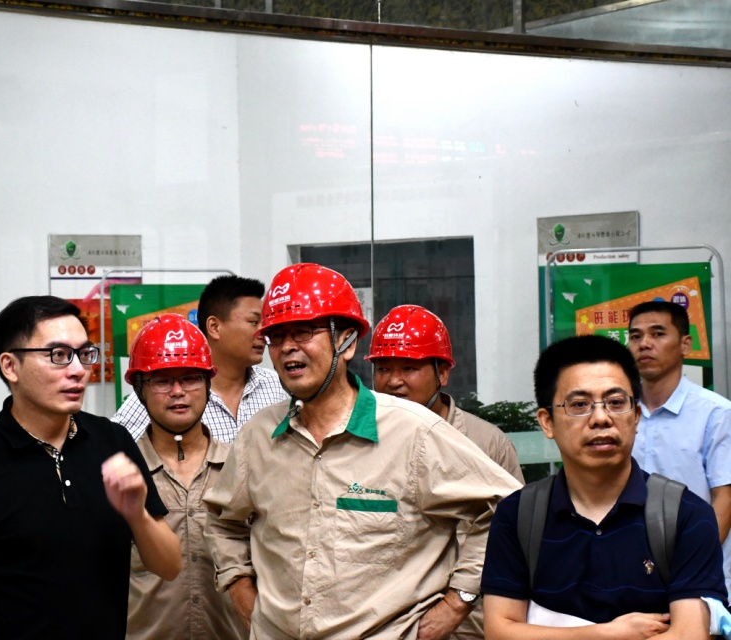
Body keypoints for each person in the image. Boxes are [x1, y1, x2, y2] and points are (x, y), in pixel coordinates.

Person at [204, 263, 521, 639]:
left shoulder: (412, 432)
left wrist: (458, 601)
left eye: (304, 332)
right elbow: (222, 522)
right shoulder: (258, 437)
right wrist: (241, 591)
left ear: (347, 342)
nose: (287, 346)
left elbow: (509, 510)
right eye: (276, 336)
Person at [0, 295, 181, 640]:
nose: (78, 370)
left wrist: (137, 515)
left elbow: (169, 566)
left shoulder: (112, 441)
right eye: (58, 355)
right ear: (10, 366)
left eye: (84, 353)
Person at [482, 334, 726, 639]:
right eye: (579, 405)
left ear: (636, 417)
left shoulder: (685, 515)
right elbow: (499, 631)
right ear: (547, 422)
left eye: (616, 403)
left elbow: (689, 635)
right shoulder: (519, 515)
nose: (601, 418)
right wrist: (607, 634)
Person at [367, 303, 523, 639]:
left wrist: (459, 602)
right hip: (388, 624)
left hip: (472, 624)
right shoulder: (361, 443)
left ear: (443, 373)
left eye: (409, 368)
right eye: (382, 368)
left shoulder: (486, 443)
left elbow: (515, 536)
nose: (393, 381)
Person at [123, 313, 247, 640]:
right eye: (162, 381)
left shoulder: (243, 467)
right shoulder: (122, 476)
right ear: (140, 389)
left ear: (208, 384)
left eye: (191, 379)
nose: (178, 392)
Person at [627, 299, 731, 591]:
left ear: (685, 344)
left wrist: (692, 567)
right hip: (628, 574)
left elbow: (725, 499)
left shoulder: (716, 413)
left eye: (658, 334)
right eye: (635, 336)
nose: (644, 344)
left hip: (697, 576)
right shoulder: (619, 412)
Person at [114, 275, 287, 443]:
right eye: (254, 322)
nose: (262, 332)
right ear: (214, 327)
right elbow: (113, 447)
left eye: (264, 324)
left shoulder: (277, 386)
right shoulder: (159, 395)